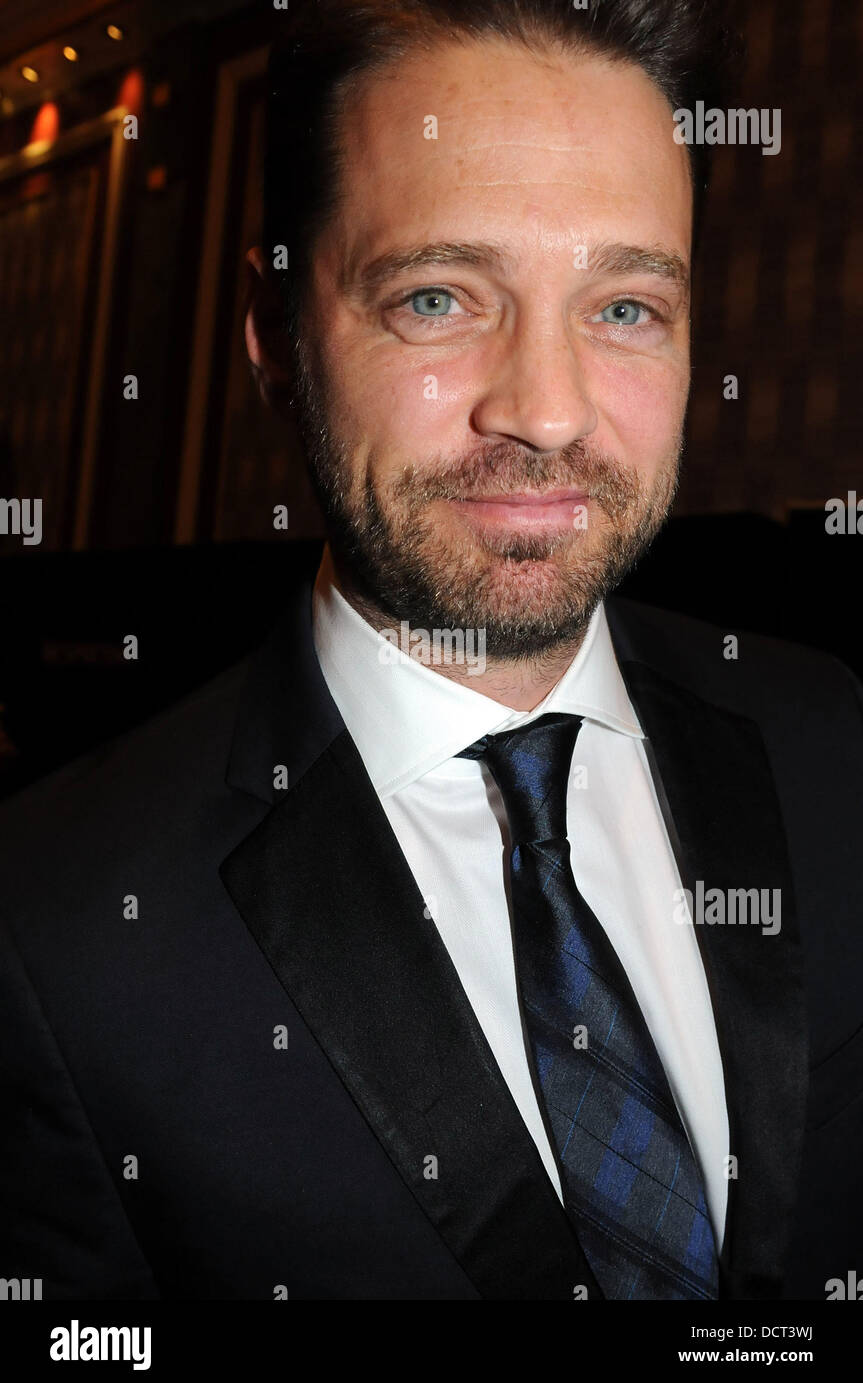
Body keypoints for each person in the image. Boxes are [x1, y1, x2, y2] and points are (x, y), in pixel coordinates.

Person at [2, 0, 861, 1301]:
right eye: (441, 295)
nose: (547, 409)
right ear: (275, 338)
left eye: (625, 305)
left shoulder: (828, 734)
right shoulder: (49, 926)